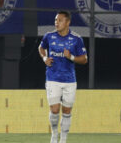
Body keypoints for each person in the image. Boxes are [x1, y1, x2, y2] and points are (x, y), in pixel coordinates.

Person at [38, 11, 88, 143]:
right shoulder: (49, 36)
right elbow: (41, 48)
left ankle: (64, 139)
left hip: (69, 81)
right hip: (52, 79)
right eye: (55, 20)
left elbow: (84, 59)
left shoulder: (76, 39)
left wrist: (71, 57)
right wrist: (44, 58)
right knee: (54, 110)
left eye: (60, 20)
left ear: (67, 22)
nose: (56, 22)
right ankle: (54, 134)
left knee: (66, 111)